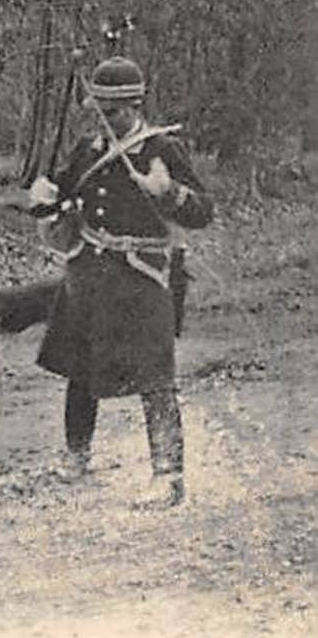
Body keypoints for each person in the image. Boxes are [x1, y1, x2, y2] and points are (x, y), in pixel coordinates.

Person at [30, 56, 214, 508]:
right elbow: (62, 195)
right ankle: (77, 456)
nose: (107, 121)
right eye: (101, 111)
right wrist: (41, 201)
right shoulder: (88, 149)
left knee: (155, 377)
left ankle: (168, 477)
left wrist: (168, 193)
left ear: (135, 105)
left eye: (115, 112)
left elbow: (204, 212)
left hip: (142, 275)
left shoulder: (163, 150)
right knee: (79, 366)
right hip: (89, 271)